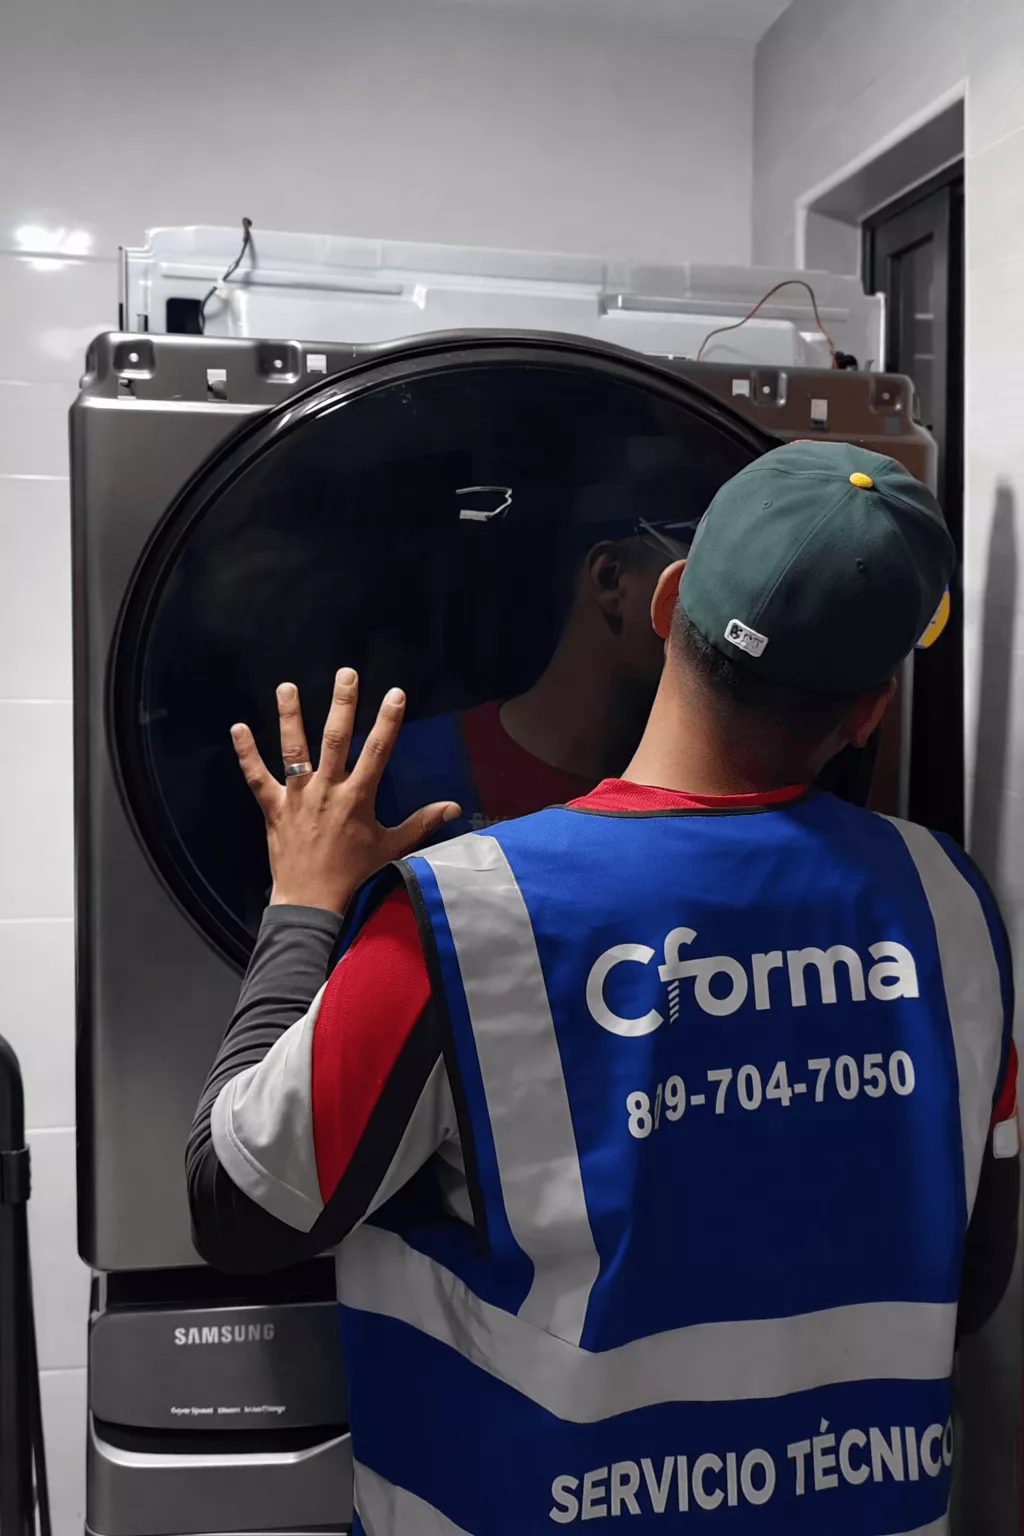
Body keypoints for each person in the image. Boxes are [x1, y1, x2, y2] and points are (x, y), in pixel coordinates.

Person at [188, 441, 1019, 1535]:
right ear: (869, 710)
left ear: (669, 601)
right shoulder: (950, 905)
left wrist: (303, 906)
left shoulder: (463, 918)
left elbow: (241, 1203)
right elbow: (978, 1266)